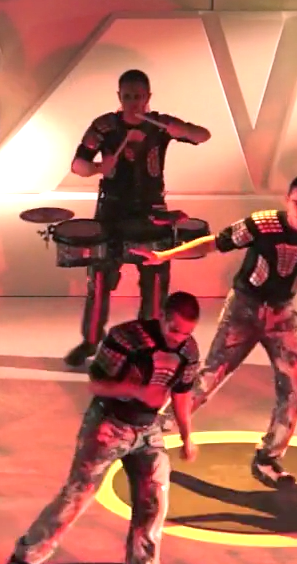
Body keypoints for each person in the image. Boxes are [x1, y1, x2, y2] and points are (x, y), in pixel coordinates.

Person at [131, 175, 297, 487]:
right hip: (243, 310)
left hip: (281, 316)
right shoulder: (262, 224)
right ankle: (149, 437)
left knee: (295, 388)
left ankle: (268, 458)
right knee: (208, 379)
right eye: (296, 203)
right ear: (287, 200)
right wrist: (165, 255)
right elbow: (214, 243)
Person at [5, 291, 202, 564]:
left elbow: (182, 393)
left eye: (186, 332)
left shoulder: (188, 350)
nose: (179, 338)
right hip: (108, 426)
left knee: (154, 504)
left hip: (148, 430)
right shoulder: (125, 338)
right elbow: (96, 385)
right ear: (162, 317)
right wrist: (137, 390)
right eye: (175, 329)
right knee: (76, 497)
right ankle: (24, 559)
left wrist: (186, 435)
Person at [63, 69, 211, 368]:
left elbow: (203, 135)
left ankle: (149, 345)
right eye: (128, 96)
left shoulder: (160, 125)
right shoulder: (104, 126)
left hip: (151, 212)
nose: (133, 102)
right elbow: (78, 165)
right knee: (99, 280)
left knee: (155, 284)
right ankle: (90, 341)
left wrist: (182, 129)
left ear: (148, 97)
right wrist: (97, 169)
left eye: (139, 97)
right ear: (119, 96)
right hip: (111, 212)